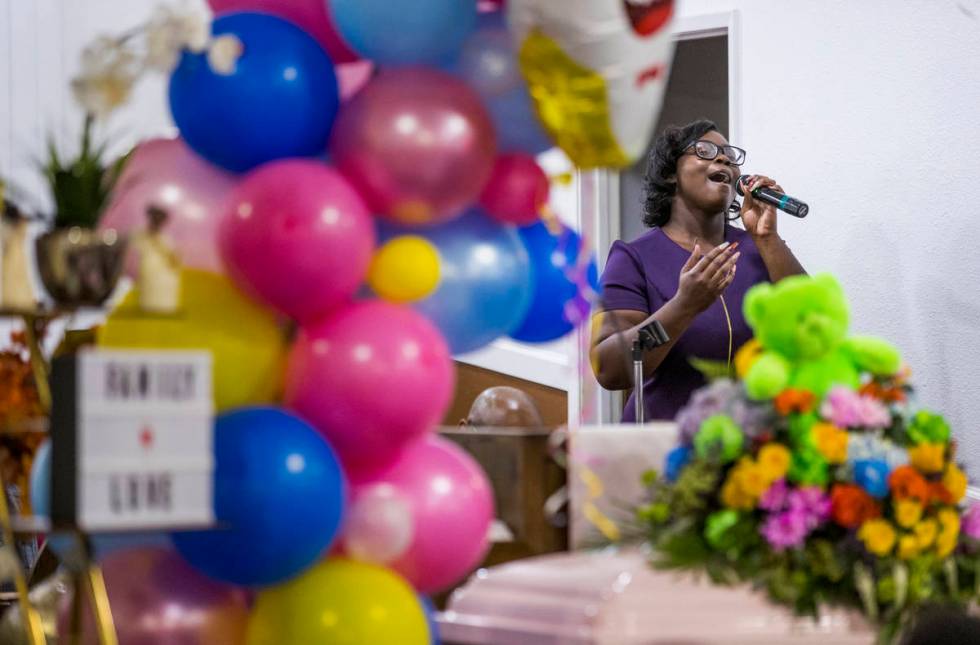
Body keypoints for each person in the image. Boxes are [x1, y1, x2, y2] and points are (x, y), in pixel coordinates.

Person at [591, 119, 805, 422]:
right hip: (667, 452)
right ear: (669, 175)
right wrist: (682, 307)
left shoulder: (760, 248)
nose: (723, 158)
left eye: (729, 156)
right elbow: (609, 366)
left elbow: (811, 323)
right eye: (704, 150)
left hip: (752, 450)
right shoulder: (634, 258)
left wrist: (767, 238)